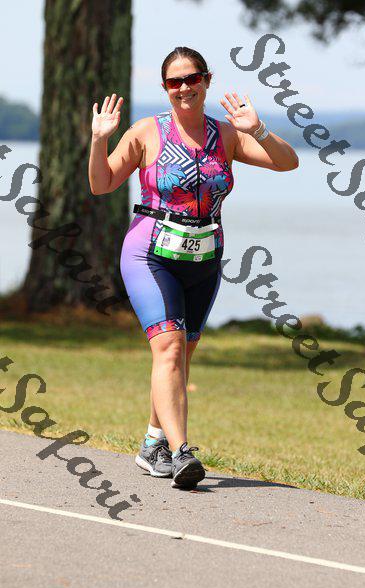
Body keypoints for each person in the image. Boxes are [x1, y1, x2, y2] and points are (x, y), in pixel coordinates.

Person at [88, 46, 299, 490]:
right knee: (168, 349)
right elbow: (101, 183)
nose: (184, 88)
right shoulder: (146, 132)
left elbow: (287, 162)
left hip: (204, 258)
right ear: (165, 88)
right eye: (174, 81)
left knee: (181, 355)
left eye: (192, 78)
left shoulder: (227, 135)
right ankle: (181, 452)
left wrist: (258, 129)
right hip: (150, 254)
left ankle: (152, 443)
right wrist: (100, 139)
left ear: (206, 80)